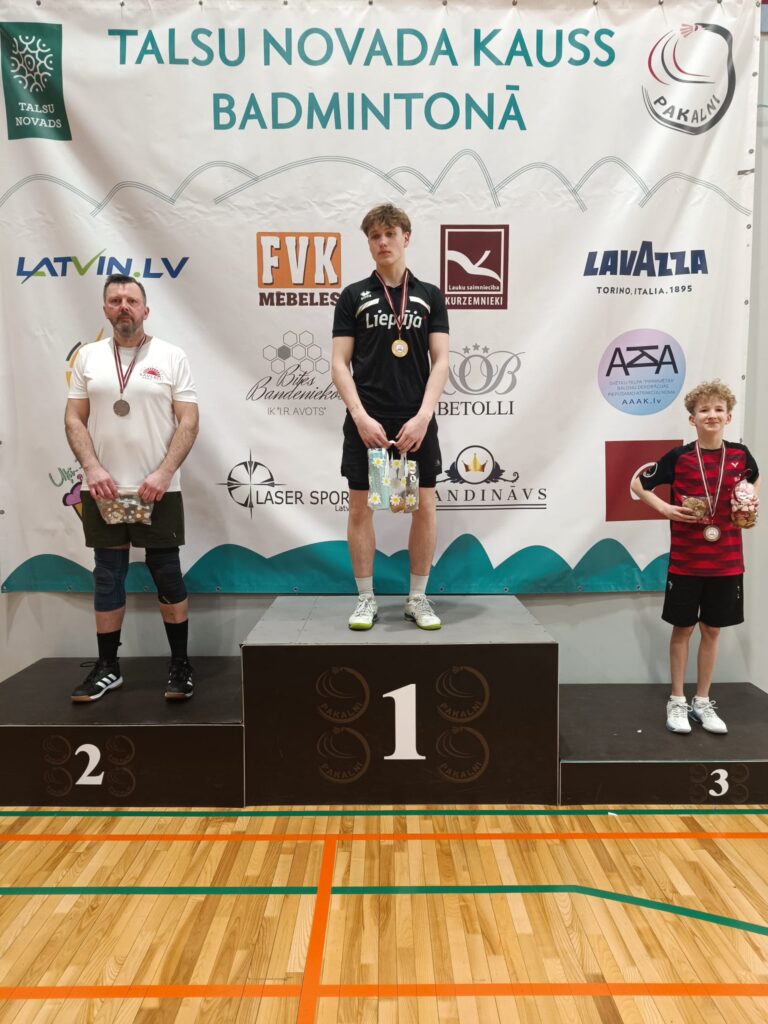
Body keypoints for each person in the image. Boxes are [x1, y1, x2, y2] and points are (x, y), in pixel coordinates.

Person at [64, 274, 199, 701]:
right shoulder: (88, 358)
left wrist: (164, 472)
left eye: (131, 300)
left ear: (145, 309)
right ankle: (108, 668)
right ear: (105, 309)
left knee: (167, 573)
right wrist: (91, 467)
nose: (124, 306)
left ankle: (180, 665)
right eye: (115, 300)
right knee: (108, 576)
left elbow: (189, 420)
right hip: (102, 488)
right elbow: (74, 418)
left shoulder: (172, 356)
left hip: (158, 489)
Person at [332, 203, 449, 630]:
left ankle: (417, 598)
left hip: (416, 421)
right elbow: (339, 363)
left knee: (424, 506)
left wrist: (423, 417)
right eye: (374, 236)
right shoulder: (354, 296)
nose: (382, 242)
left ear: (406, 238)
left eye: (390, 234)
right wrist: (360, 417)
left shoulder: (429, 295)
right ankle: (366, 599)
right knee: (360, 508)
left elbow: (441, 361)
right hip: (368, 422)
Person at [631, 380, 759, 734]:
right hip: (686, 562)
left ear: (728, 416)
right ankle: (677, 701)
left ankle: (702, 701)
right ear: (692, 419)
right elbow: (638, 484)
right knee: (683, 628)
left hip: (727, 562)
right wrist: (664, 508)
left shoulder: (741, 455)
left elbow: (755, 478)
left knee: (712, 630)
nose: (711, 415)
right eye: (704, 410)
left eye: (718, 409)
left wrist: (748, 499)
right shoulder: (680, 457)